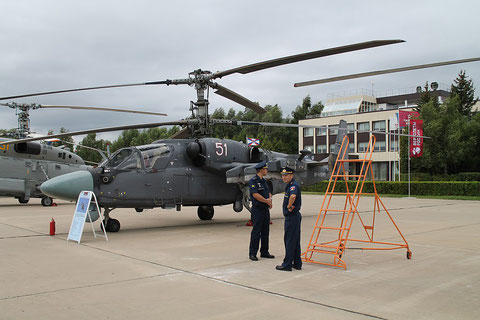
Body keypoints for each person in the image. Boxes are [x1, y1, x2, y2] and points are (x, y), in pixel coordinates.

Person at [276, 166, 302, 271]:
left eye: (286, 175)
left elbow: (293, 196)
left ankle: (287, 264)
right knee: (295, 240)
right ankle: (297, 263)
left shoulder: (293, 186)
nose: (284, 177)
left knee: (289, 240)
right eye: (283, 175)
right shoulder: (291, 185)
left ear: (291, 175)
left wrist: (289, 206)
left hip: (292, 217)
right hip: (294, 217)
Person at [248, 161, 275, 261]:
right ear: (262, 169)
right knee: (256, 232)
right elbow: (255, 195)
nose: (267, 170)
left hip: (265, 210)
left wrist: (270, 200)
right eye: (266, 169)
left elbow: (268, 192)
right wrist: (266, 201)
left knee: (265, 231)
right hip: (257, 209)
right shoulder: (253, 181)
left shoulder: (264, 181)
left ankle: (264, 252)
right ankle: (252, 253)